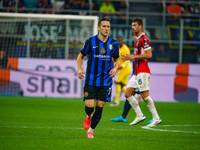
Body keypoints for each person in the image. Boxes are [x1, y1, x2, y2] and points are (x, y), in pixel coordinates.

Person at [77, 17, 119, 138]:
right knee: (90, 106)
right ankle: (89, 116)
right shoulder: (90, 42)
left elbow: (117, 60)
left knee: (100, 106)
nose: (106, 29)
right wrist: (80, 69)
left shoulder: (114, 44)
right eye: (104, 26)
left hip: (105, 81)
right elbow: (80, 56)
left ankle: (91, 131)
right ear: (98, 27)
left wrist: (115, 68)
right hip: (90, 79)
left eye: (108, 27)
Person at [122, 17, 161, 127]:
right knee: (128, 93)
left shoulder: (144, 38)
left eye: (134, 25)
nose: (132, 27)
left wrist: (133, 56)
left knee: (144, 95)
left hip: (143, 71)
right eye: (132, 25)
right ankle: (139, 115)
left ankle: (156, 117)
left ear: (140, 26)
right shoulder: (138, 39)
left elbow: (149, 54)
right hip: (136, 72)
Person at [110, 36, 132, 106]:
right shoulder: (115, 47)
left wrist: (122, 66)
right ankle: (134, 96)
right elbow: (110, 51)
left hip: (125, 69)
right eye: (118, 40)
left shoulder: (126, 49)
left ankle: (116, 101)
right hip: (120, 69)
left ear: (122, 41)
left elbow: (127, 59)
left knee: (117, 83)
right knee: (122, 86)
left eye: (121, 40)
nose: (120, 41)